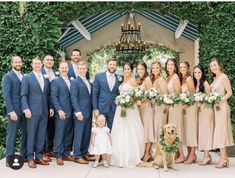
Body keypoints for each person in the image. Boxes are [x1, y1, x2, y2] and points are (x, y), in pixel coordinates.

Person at [110, 62, 145, 168]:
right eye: (125, 69)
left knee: (130, 131)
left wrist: (127, 103)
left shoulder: (133, 81)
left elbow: (137, 96)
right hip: (120, 108)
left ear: (131, 70)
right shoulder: (122, 80)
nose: (126, 71)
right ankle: (119, 156)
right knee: (120, 131)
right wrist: (121, 102)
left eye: (128, 69)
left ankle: (130, 157)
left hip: (130, 109)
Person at [21, 57, 53, 168]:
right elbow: (24, 95)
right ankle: (30, 158)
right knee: (31, 135)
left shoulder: (45, 78)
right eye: (35, 63)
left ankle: (38, 157)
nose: (37, 65)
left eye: (39, 63)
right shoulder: (27, 78)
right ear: (32, 64)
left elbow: (48, 95)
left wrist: (50, 108)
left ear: (41, 64)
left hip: (44, 111)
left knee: (41, 135)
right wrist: (26, 109)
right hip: (32, 111)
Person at [2, 55, 27, 167]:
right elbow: (6, 95)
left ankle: (23, 155)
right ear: (12, 63)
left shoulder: (23, 75)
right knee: (12, 135)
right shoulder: (8, 76)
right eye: (15, 62)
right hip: (14, 112)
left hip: (24, 111)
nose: (18, 63)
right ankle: (9, 159)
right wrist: (11, 111)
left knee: (25, 134)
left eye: (19, 62)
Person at [209, 58, 234, 168]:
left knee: (221, 131)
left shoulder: (223, 77)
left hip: (223, 107)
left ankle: (223, 159)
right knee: (219, 132)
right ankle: (225, 159)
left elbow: (229, 93)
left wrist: (219, 101)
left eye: (215, 65)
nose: (213, 67)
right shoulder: (214, 79)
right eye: (211, 66)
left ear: (219, 65)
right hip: (216, 108)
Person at [142, 61, 168, 163]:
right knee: (153, 130)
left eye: (157, 68)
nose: (155, 70)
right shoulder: (151, 79)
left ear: (160, 69)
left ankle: (160, 155)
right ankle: (152, 154)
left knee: (159, 130)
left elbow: (165, 94)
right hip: (152, 108)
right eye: (153, 68)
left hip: (160, 107)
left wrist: (155, 98)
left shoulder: (161, 79)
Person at [50, 61, 74, 165]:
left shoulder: (72, 80)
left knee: (68, 133)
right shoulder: (56, 81)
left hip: (71, 111)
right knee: (59, 134)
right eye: (62, 68)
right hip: (61, 112)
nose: (64, 69)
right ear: (59, 69)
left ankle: (66, 153)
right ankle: (58, 155)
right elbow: (53, 97)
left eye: (66, 68)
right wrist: (59, 110)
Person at [71, 61, 93, 164]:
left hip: (88, 112)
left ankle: (84, 153)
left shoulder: (88, 81)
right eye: (80, 69)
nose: (82, 70)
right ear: (78, 70)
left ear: (86, 69)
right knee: (79, 134)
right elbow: (74, 98)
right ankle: (77, 155)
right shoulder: (75, 82)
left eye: (84, 68)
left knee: (86, 134)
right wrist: (78, 112)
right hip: (80, 113)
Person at [193, 65, 214, 166]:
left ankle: (206, 156)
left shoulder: (205, 83)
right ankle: (207, 156)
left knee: (205, 132)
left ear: (202, 73)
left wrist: (202, 102)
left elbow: (210, 98)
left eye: (199, 72)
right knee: (202, 133)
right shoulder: (196, 83)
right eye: (195, 72)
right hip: (200, 111)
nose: (197, 74)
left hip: (206, 111)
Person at [165, 58, 185, 163]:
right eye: (168, 64)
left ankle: (181, 155)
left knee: (176, 130)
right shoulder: (168, 77)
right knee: (172, 130)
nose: (169, 66)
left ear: (175, 66)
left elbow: (178, 93)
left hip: (175, 106)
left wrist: (170, 102)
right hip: (170, 106)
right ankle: (176, 153)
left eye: (172, 64)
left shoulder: (176, 77)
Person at [92, 58, 121, 130]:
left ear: (116, 66)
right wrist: (95, 108)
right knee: (100, 130)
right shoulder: (98, 76)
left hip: (113, 109)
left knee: (112, 130)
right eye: (110, 64)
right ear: (107, 65)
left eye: (114, 65)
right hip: (101, 108)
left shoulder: (119, 78)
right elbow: (94, 93)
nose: (112, 66)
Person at [179, 61, 197, 164]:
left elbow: (192, 94)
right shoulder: (183, 79)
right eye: (180, 67)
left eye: (184, 67)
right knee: (188, 132)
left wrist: (187, 103)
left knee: (191, 131)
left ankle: (192, 155)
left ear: (188, 68)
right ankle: (191, 154)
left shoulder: (189, 79)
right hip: (185, 108)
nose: (182, 68)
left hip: (190, 107)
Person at [41, 54, 56, 160]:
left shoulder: (55, 73)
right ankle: (44, 151)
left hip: (54, 103)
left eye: (51, 60)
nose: (49, 61)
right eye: (47, 60)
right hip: (43, 104)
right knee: (44, 128)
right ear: (43, 61)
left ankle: (50, 149)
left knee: (51, 127)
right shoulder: (40, 72)